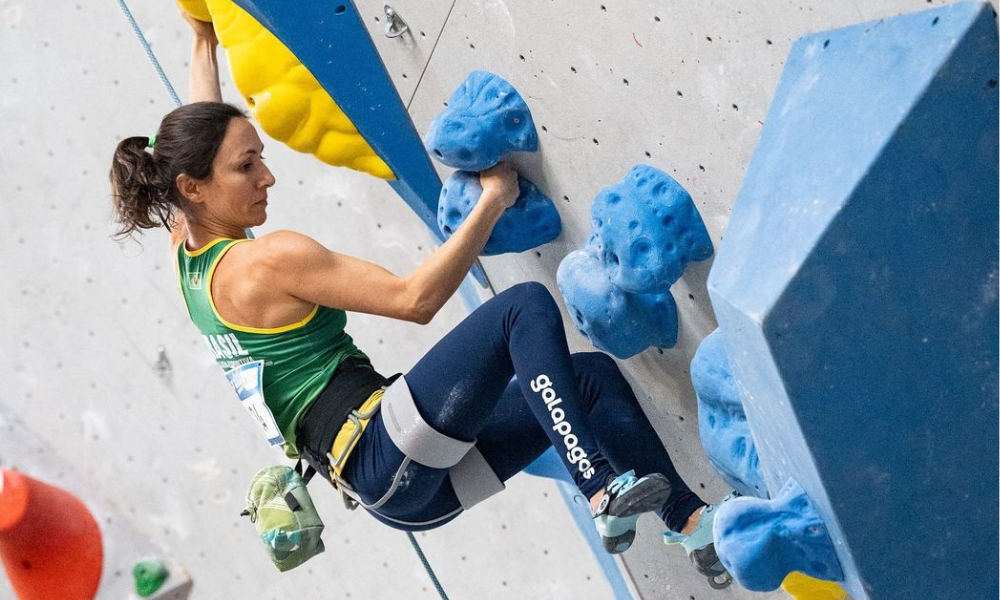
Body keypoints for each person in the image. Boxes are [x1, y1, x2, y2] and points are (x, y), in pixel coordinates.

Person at [108, 12, 729, 575]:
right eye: (247, 167)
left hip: (398, 493)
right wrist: (489, 202)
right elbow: (414, 300)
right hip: (385, 452)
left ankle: (687, 522)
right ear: (194, 188)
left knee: (589, 382)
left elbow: (192, 135)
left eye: (260, 157)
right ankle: (599, 488)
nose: (267, 176)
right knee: (524, 309)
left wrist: (203, 34)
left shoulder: (187, 252)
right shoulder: (266, 262)